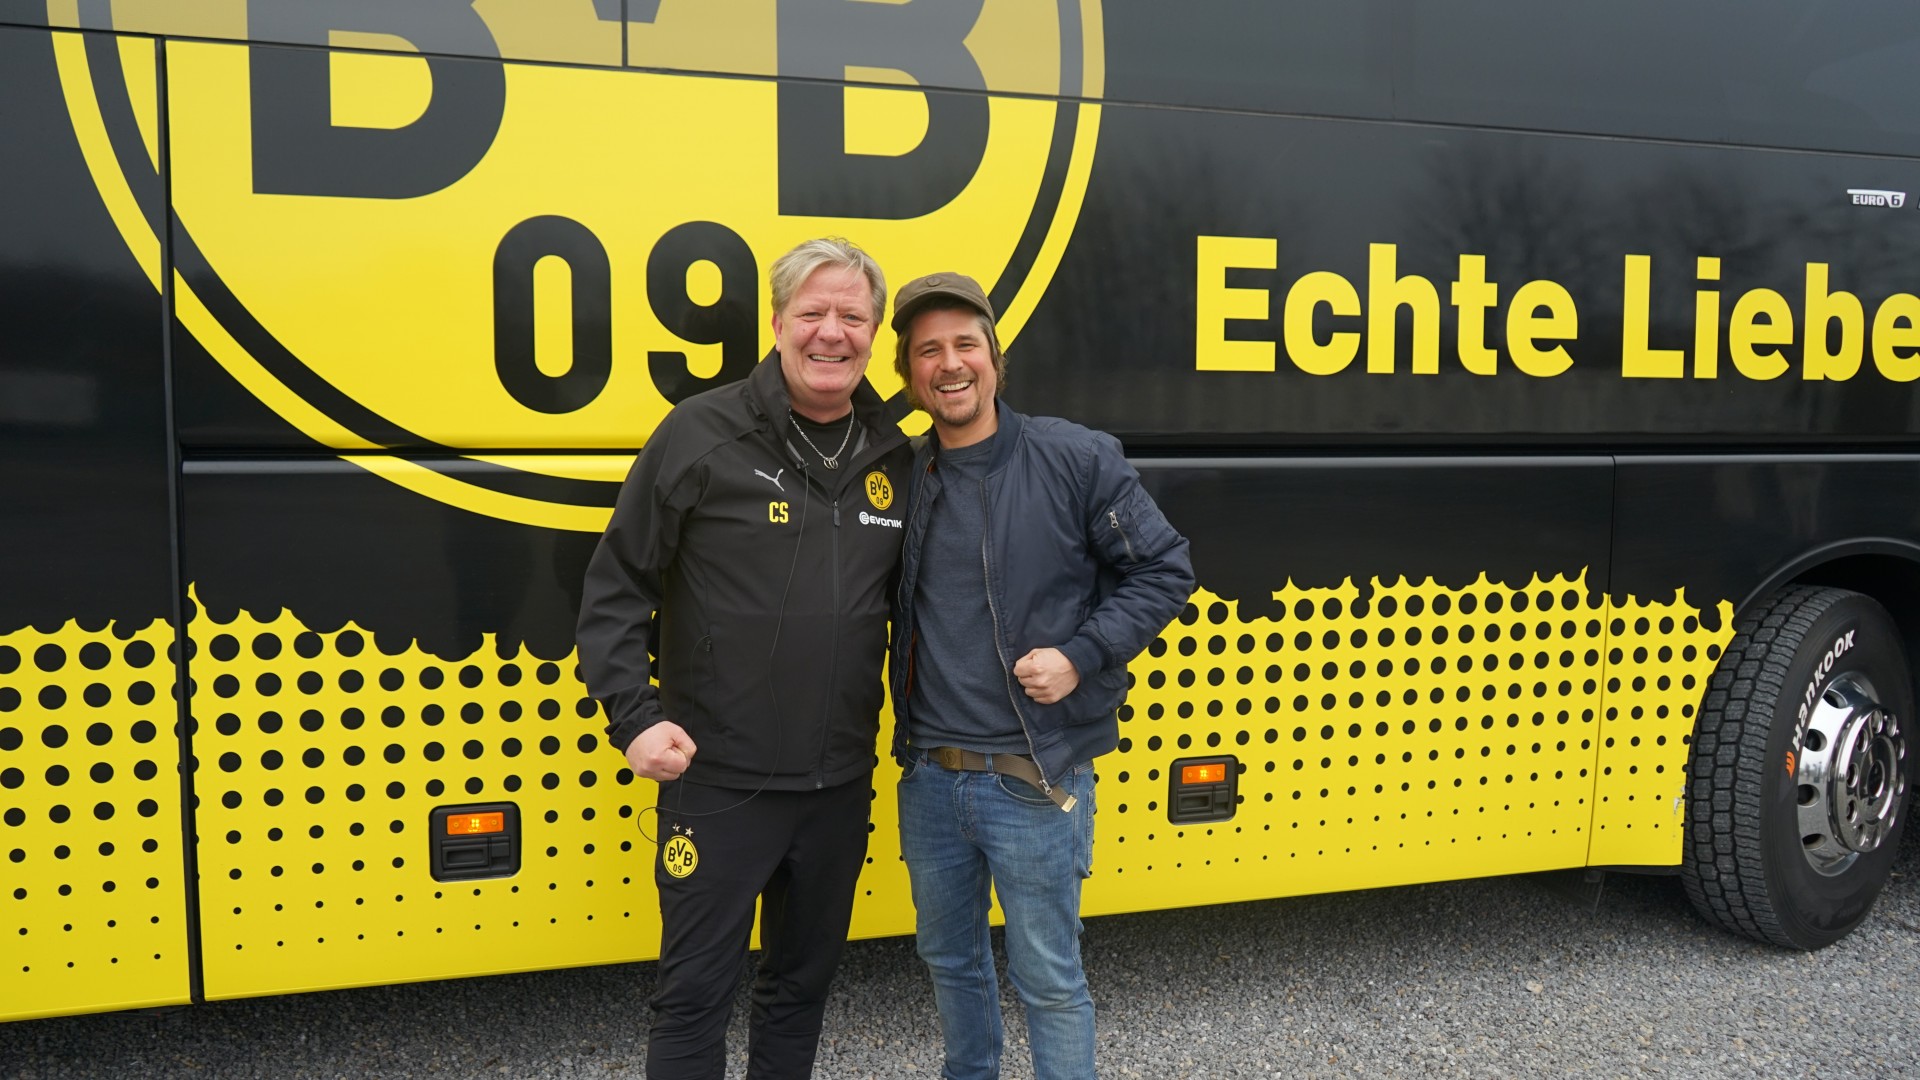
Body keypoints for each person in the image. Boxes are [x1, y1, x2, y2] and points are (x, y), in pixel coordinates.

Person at [576, 237, 912, 1079]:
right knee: (693, 998)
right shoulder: (701, 433)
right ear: (777, 322)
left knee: (800, 994)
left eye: (852, 316)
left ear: (874, 334)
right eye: (813, 312)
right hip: (719, 784)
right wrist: (633, 719)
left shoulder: (892, 452)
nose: (831, 332)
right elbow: (617, 585)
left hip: (837, 787)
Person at [886, 272, 1195, 1080]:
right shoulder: (903, 478)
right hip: (930, 778)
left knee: (1050, 980)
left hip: (1034, 778)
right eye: (928, 351)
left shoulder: (1074, 457)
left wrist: (1080, 655)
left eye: (965, 344)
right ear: (908, 374)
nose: (950, 364)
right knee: (949, 962)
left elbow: (1165, 570)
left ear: (995, 359)